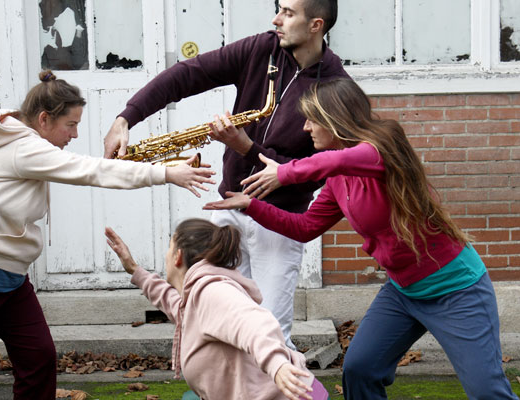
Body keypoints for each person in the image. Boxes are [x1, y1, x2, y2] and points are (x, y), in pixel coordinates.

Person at [203, 78, 519, 400]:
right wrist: (253, 206)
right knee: (360, 369)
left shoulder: (382, 147)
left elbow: (337, 160)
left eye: (312, 119)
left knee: (486, 391)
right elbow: (306, 226)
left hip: (455, 288)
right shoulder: (338, 180)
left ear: (334, 118)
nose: (306, 128)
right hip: (402, 292)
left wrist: (284, 173)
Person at [0, 70, 215, 399]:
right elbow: (90, 170)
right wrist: (167, 173)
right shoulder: (22, 148)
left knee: (38, 358)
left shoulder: (26, 145)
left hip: (8, 280)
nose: (76, 134)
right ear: (43, 119)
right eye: (71, 125)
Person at [103, 0, 349, 349]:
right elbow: (187, 73)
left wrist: (249, 148)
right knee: (211, 321)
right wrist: (125, 118)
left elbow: (321, 173)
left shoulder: (336, 86)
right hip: (230, 210)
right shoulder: (261, 49)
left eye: (288, 13)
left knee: (271, 336)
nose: (276, 19)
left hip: (279, 222)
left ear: (316, 26)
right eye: (279, 8)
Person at [105, 218, 330, 400]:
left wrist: (277, 365)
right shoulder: (196, 297)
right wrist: (134, 269)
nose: (166, 255)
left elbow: (254, 323)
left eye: (169, 247)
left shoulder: (212, 292)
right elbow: (174, 305)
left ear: (178, 256)